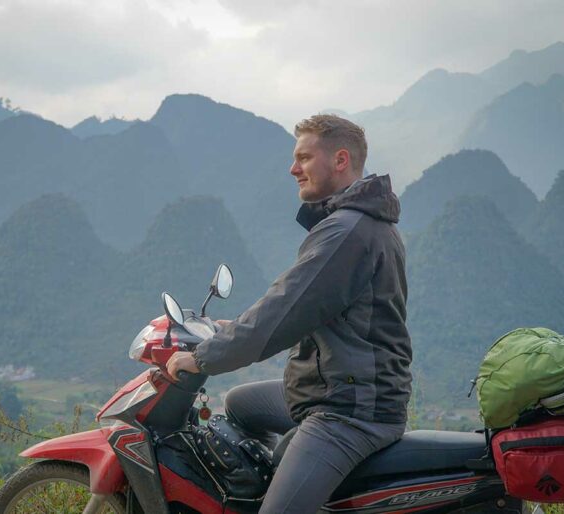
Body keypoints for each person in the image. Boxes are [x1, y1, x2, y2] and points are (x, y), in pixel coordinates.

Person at [167, 114, 412, 514]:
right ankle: (267, 481)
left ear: (340, 160)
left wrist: (201, 357)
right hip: (342, 386)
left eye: (303, 157)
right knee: (240, 404)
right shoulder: (360, 223)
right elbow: (305, 307)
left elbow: (281, 311)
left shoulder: (346, 232)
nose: (292, 168)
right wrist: (231, 329)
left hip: (350, 410)